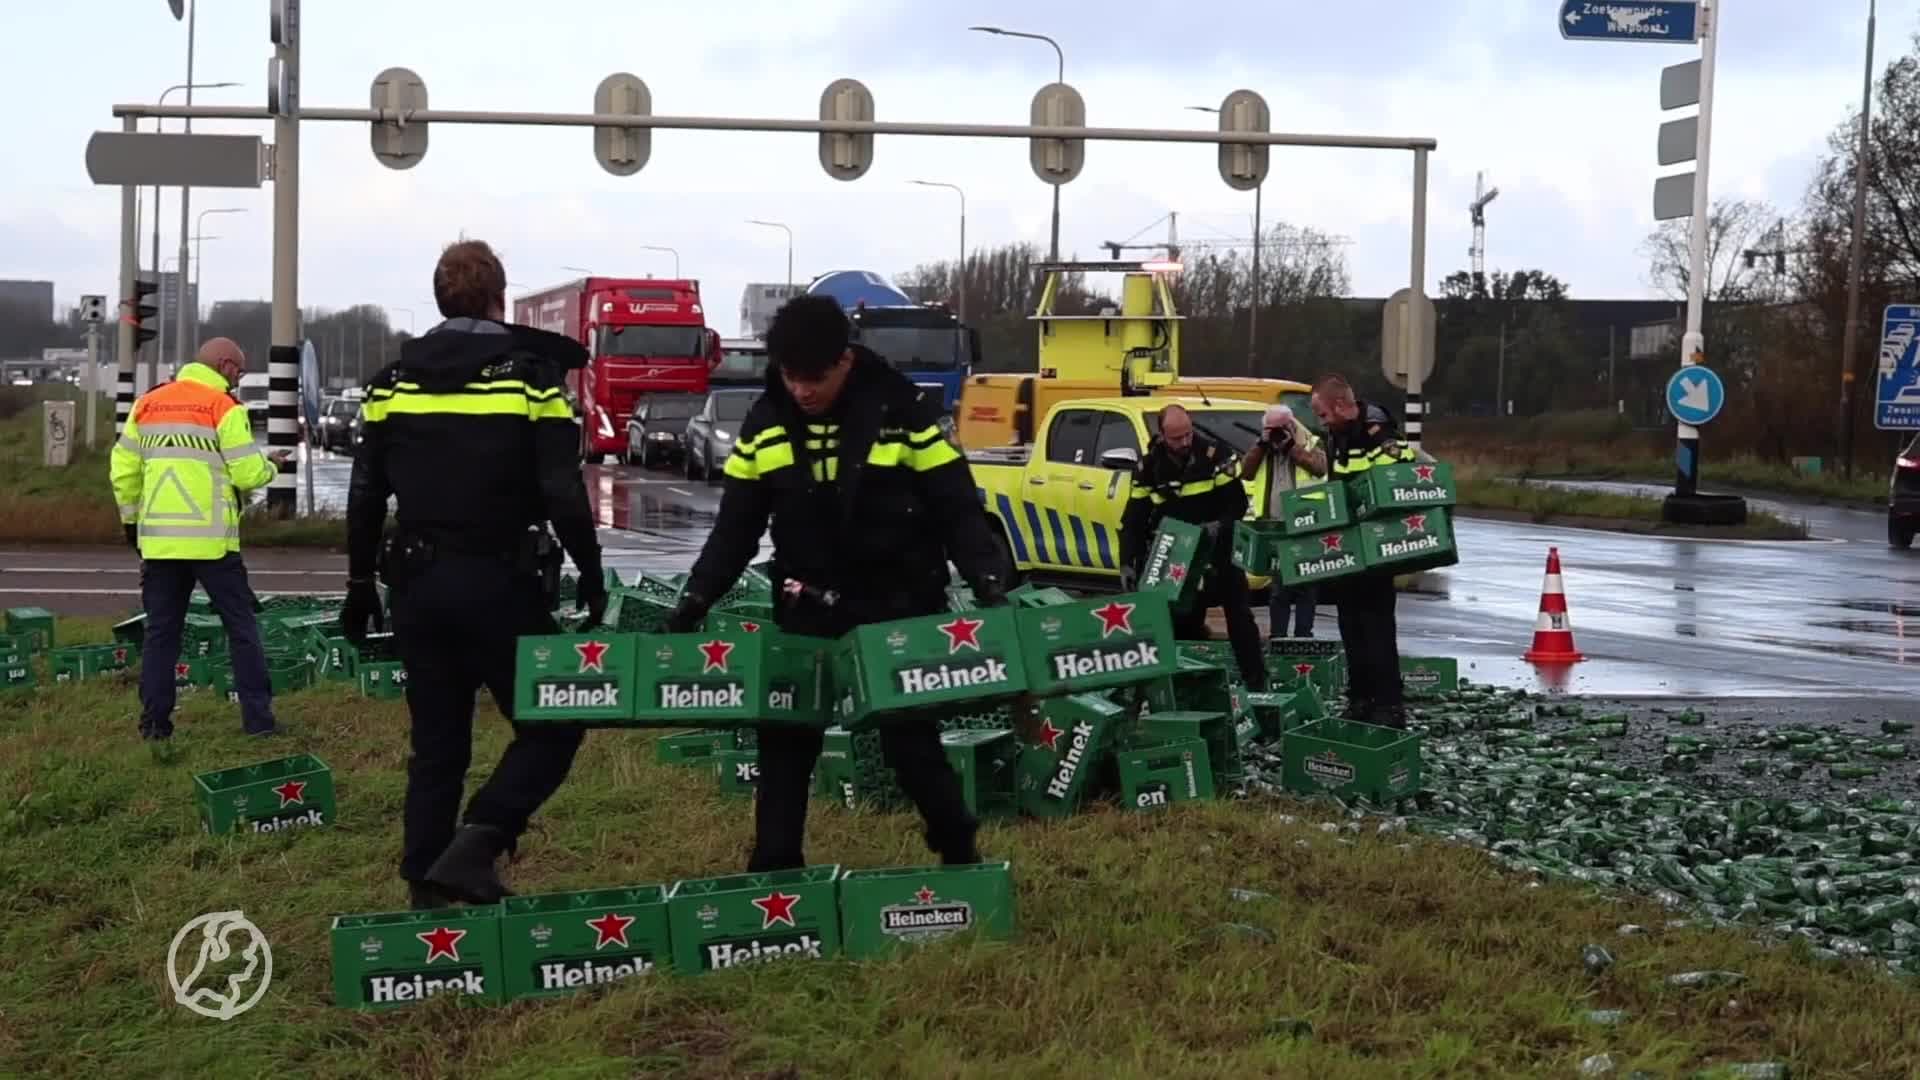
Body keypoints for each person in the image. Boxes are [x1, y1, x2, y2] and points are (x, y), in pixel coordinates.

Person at [665, 294, 1010, 872]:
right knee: (786, 736)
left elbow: (954, 506)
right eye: (791, 377)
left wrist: (989, 578)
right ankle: (775, 866)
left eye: (814, 378)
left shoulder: (904, 411)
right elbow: (735, 530)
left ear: (845, 361)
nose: (802, 391)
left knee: (909, 740)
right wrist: (697, 597)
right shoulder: (765, 424)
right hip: (807, 603)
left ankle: (958, 844)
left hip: (896, 598)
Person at [340, 239, 609, 910]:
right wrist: (592, 572)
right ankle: (478, 842)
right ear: (498, 299)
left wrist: (355, 585)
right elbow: (562, 492)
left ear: (439, 301)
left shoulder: (391, 383)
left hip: (415, 587)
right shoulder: (528, 381)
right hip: (499, 584)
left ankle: (424, 898)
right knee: (553, 725)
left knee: (436, 748)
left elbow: (366, 493)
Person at [110, 337, 292, 743]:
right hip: (213, 545)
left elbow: (123, 468)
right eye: (240, 371)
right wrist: (271, 467)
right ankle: (258, 722)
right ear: (225, 365)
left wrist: (130, 521)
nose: (240, 379)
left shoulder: (148, 403)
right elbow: (246, 474)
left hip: (159, 544)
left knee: (162, 634)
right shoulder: (223, 407)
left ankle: (155, 725)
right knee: (241, 630)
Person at [1119, 403, 1267, 690]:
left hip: (1219, 550)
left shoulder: (1214, 454)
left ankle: (1257, 683)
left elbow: (1237, 502)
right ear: (1161, 435)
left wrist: (1219, 526)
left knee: (1239, 618)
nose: (1185, 442)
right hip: (1178, 555)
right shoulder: (1149, 468)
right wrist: (1127, 561)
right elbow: (1134, 519)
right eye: (1177, 438)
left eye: (1187, 434)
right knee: (1183, 621)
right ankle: (1191, 687)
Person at [1309, 374, 1419, 729]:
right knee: (1350, 625)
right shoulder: (1337, 434)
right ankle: (1360, 699)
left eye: (1323, 414)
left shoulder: (1377, 432)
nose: (1320, 421)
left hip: (1375, 544)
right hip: (1347, 544)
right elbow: (1336, 483)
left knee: (1377, 628)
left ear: (1342, 406)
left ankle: (1388, 704)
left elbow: (1388, 486)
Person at [1239, 404, 1329, 640]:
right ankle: (1278, 635)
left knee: (1306, 584)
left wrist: (1291, 447)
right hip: (1274, 525)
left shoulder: (1310, 443)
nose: (1276, 434)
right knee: (1279, 587)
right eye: (1271, 430)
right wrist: (1261, 444)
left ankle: (1303, 635)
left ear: (1290, 425)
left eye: (1279, 429)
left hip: (1305, 522)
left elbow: (1319, 468)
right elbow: (1245, 472)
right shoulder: (1263, 448)